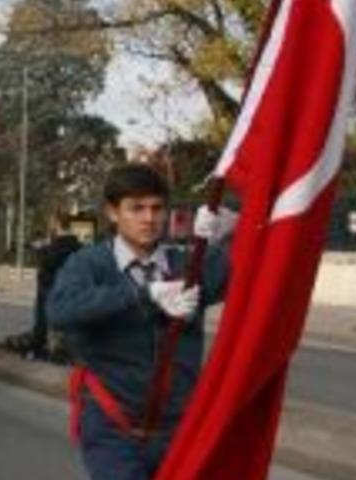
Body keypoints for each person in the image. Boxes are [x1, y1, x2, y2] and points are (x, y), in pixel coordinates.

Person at [46, 164, 236, 480]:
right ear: (112, 212)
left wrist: (233, 231)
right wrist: (142, 294)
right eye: (136, 208)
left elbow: (258, 274)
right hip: (112, 426)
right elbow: (61, 311)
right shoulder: (88, 264)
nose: (149, 218)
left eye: (157, 208)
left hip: (178, 430)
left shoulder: (188, 264)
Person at [32, 213, 81, 360]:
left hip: (49, 286)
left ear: (57, 223)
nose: (50, 225)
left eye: (51, 222)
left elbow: (49, 263)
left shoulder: (57, 245)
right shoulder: (77, 244)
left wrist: (40, 250)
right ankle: (65, 351)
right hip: (69, 286)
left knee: (42, 318)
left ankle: (40, 350)